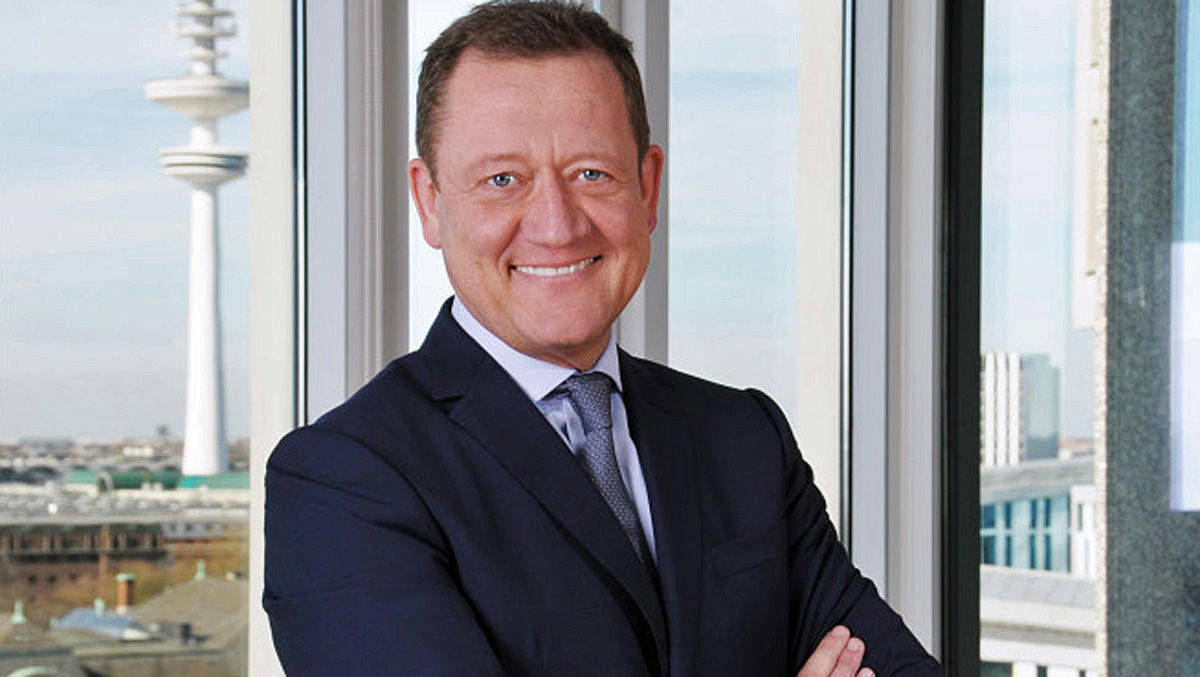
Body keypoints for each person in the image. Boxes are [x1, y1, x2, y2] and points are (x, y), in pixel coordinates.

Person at [263, 2, 942, 675]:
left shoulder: (745, 438)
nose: (557, 225)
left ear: (647, 188)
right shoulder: (340, 483)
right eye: (503, 180)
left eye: (591, 173)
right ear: (430, 202)